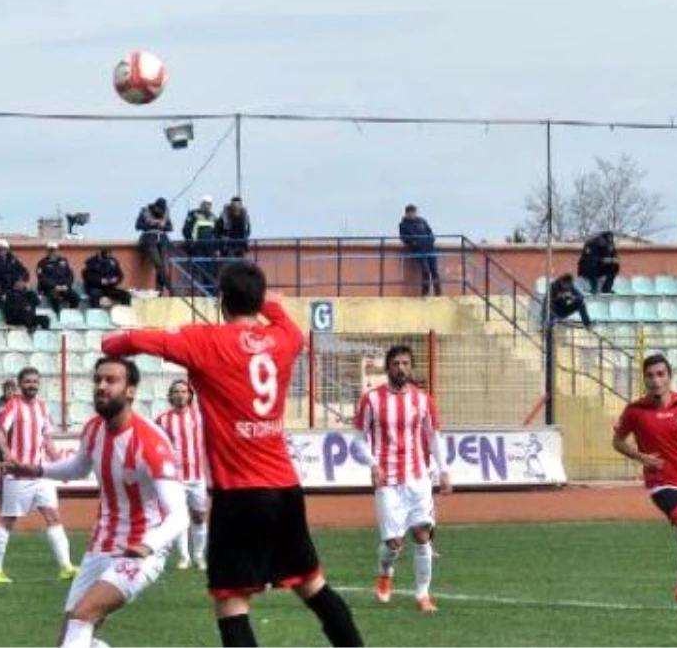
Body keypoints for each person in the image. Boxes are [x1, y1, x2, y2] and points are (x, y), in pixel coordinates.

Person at [103, 261, 363, 648]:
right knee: (313, 586)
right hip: (285, 489)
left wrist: (113, 345)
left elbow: (145, 341)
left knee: (232, 600)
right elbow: (280, 316)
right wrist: (267, 302)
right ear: (257, 300)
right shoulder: (285, 338)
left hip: (239, 493)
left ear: (222, 300)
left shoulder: (206, 340)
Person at [3, 356, 188, 648]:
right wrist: (37, 469)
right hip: (100, 546)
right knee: (69, 636)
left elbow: (179, 515)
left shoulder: (151, 442)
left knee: (83, 616)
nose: (101, 386)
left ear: (131, 391)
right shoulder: (93, 429)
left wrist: (147, 546)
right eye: (98, 380)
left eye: (111, 381)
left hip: (138, 551)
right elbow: (78, 468)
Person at [612, 354, 677, 611]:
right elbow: (618, 441)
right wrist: (640, 457)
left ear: (670, 377)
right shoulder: (635, 411)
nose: (655, 380)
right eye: (650, 375)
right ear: (645, 379)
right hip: (660, 481)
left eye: (660, 374)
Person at [352, 345, 451, 613]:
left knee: (421, 535)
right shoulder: (371, 400)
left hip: (418, 478)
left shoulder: (423, 400)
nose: (401, 368)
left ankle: (422, 595)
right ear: (388, 368)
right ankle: (385, 572)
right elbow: (358, 440)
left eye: (406, 363)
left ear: (412, 366)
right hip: (387, 480)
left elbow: (433, 437)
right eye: (396, 363)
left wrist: (444, 469)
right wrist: (372, 464)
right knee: (393, 543)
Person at [0, 367, 77, 584]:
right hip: (18, 474)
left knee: (53, 516)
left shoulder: (43, 407)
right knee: (7, 520)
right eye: (28, 381)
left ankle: (66, 567)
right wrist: (8, 454)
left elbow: (46, 439)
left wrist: (60, 465)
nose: (32, 385)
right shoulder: (13, 406)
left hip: (40, 473)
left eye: (35, 381)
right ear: (20, 384)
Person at [156, 379, 209, 571]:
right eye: (176, 391)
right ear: (170, 396)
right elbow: (156, 447)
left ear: (190, 395)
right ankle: (184, 557)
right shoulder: (162, 420)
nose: (180, 395)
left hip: (197, 475)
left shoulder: (201, 417)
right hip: (174, 478)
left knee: (199, 516)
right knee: (178, 517)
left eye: (184, 391)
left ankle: (199, 556)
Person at [398, 204, 441, 297]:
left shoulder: (422, 221)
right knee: (426, 271)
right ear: (407, 213)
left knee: (435, 271)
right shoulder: (403, 225)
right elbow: (404, 238)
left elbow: (430, 233)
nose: (412, 214)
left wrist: (431, 240)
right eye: (410, 213)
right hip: (418, 251)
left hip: (430, 249)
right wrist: (414, 244)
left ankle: (438, 293)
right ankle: (425, 293)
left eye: (414, 212)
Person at [135, 198, 173, 294]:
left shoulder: (165, 214)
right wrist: (151, 225)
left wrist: (163, 226)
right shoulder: (145, 212)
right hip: (149, 239)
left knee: (163, 266)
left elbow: (170, 227)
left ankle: (159, 290)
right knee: (159, 264)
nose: (160, 212)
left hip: (163, 240)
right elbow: (138, 226)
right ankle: (170, 287)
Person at [182, 196, 219, 291]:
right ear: (201, 203)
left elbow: (217, 233)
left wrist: (216, 248)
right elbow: (186, 230)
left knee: (211, 271)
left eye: (209, 204)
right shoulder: (193, 214)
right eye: (205, 203)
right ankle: (199, 293)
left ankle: (209, 294)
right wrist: (191, 244)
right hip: (197, 248)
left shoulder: (213, 217)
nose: (207, 206)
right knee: (198, 270)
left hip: (210, 249)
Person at [36, 242, 81, 315]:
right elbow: (42, 278)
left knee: (76, 297)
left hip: (64, 287)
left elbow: (70, 275)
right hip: (50, 288)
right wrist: (55, 286)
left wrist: (66, 285)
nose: (52, 252)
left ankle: (71, 314)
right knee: (55, 298)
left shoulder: (63, 261)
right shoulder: (42, 263)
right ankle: (57, 315)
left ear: (57, 250)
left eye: (54, 250)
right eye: (50, 250)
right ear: (47, 251)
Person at [578, 231, 620, 295]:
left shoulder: (610, 244)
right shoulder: (591, 243)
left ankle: (607, 288)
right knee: (591, 265)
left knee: (614, 266)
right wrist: (602, 260)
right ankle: (594, 287)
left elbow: (614, 256)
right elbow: (588, 258)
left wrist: (613, 260)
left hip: (601, 267)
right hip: (588, 267)